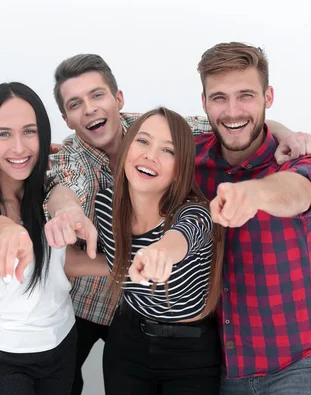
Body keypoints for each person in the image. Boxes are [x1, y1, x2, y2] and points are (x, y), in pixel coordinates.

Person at [43, 53, 311, 394]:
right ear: (66, 118)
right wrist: (68, 213)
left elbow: (234, 124)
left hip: (193, 333)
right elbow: (64, 186)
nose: (89, 109)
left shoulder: (160, 131)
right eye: (76, 104)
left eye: (97, 95)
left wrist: (286, 134)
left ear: (118, 99)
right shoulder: (79, 160)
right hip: (101, 308)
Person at [194, 42, 311, 394]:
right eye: (219, 98)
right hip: (227, 371)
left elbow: (299, 192)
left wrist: (255, 193)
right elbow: (133, 129)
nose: (232, 110)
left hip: (303, 361)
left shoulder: (303, 159)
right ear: (204, 102)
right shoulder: (191, 160)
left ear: (267, 96)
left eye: (246, 96)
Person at [0, 82, 106, 394]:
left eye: (29, 132)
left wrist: (128, 264)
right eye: (4, 134)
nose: (19, 147)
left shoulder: (48, 194)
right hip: (0, 358)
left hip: (62, 343)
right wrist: (7, 231)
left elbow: (58, 262)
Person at [97, 107, 224, 394]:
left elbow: (180, 239)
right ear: (127, 147)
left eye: (168, 150)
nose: (150, 156)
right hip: (127, 343)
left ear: (182, 168)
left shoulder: (196, 213)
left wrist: (161, 252)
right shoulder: (106, 205)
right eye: (142, 141)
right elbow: (113, 261)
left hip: (191, 353)